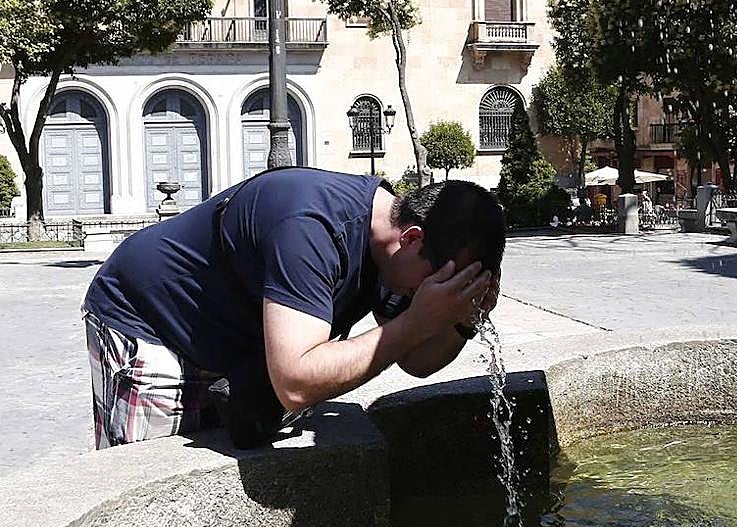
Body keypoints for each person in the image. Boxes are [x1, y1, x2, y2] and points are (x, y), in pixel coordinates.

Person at [82, 168, 505, 449]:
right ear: (411, 239)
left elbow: (416, 361)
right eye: (444, 280)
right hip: (150, 321)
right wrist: (416, 322)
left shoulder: (390, 253)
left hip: (227, 339)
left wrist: (461, 319)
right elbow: (297, 383)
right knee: (154, 495)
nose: (439, 292)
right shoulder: (311, 229)